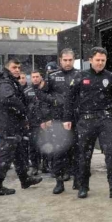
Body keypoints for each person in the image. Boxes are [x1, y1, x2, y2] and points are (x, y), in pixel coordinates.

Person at [66, 47, 112, 199]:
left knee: (111, 154)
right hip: (85, 121)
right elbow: (69, 99)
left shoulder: (110, 77)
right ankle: (83, 186)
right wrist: (67, 119)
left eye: (103, 60)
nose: (100, 63)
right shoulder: (80, 76)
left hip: (105, 120)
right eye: (97, 60)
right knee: (85, 155)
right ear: (90, 60)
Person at [0, 58, 42, 196]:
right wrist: (23, 109)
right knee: (5, 156)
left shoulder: (10, 81)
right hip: (7, 124)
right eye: (14, 67)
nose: (17, 70)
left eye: (19, 67)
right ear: (8, 68)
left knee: (19, 154)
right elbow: (8, 99)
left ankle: (25, 180)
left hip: (13, 124)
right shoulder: (4, 82)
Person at [37, 49, 82, 189]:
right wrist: (54, 101)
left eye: (70, 60)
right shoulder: (52, 76)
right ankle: (59, 182)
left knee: (77, 151)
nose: (67, 63)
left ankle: (78, 181)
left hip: (76, 118)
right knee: (58, 151)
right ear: (60, 60)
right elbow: (40, 94)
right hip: (58, 119)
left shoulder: (80, 75)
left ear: (74, 60)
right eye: (65, 60)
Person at [25, 70, 50, 176]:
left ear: (41, 77)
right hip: (33, 123)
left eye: (37, 76)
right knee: (33, 145)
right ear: (31, 78)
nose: (35, 78)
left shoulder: (47, 90)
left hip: (45, 123)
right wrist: (26, 121)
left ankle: (45, 165)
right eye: (33, 77)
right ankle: (35, 166)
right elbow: (24, 108)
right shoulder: (27, 91)